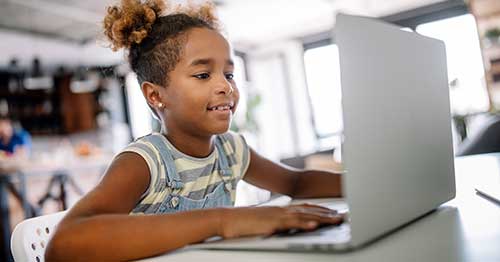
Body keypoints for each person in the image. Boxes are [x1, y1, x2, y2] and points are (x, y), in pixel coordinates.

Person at [46, 1, 344, 260]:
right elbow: (63, 245)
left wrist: (371, 185)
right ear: (155, 96)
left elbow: (295, 183)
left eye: (229, 74)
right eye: (203, 74)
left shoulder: (230, 150)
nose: (226, 86)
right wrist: (221, 221)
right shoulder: (144, 162)